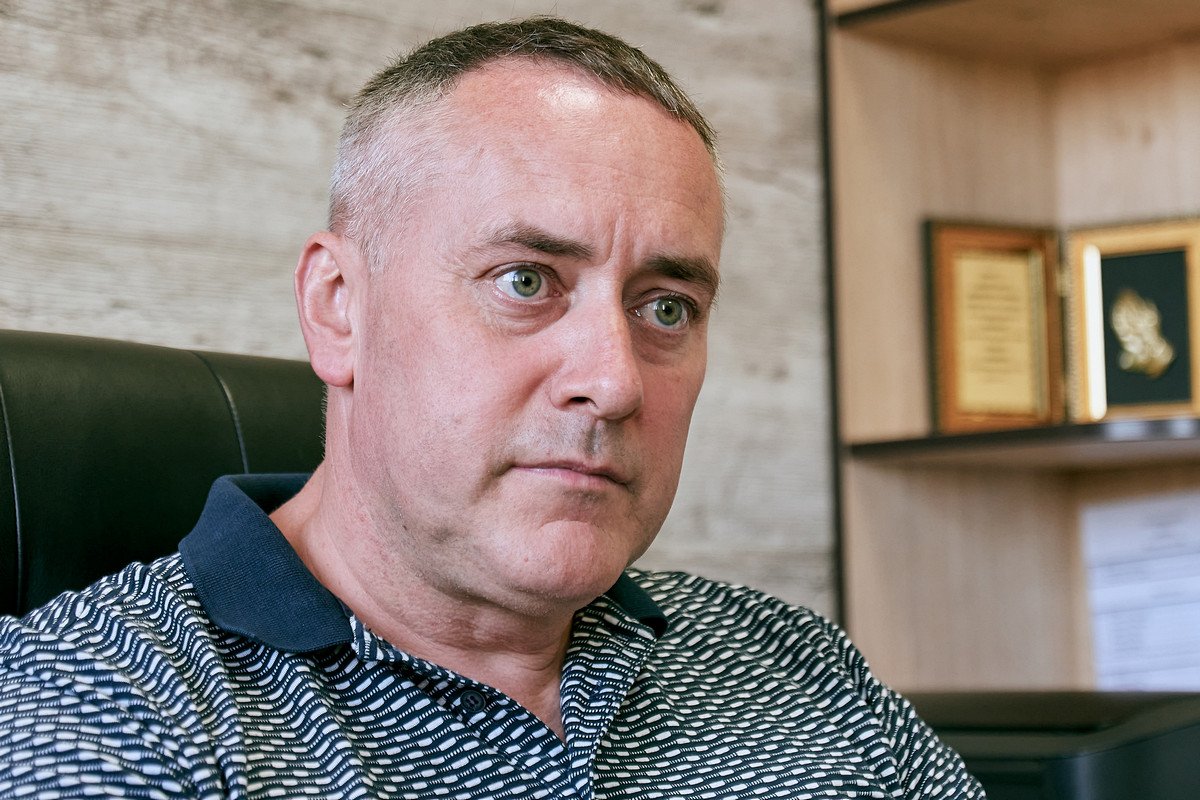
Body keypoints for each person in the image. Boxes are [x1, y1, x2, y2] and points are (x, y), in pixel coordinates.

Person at [0, 16, 984, 799]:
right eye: (525, 281)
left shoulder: (794, 660)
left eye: (666, 307)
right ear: (338, 308)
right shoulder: (94, 710)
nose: (615, 381)